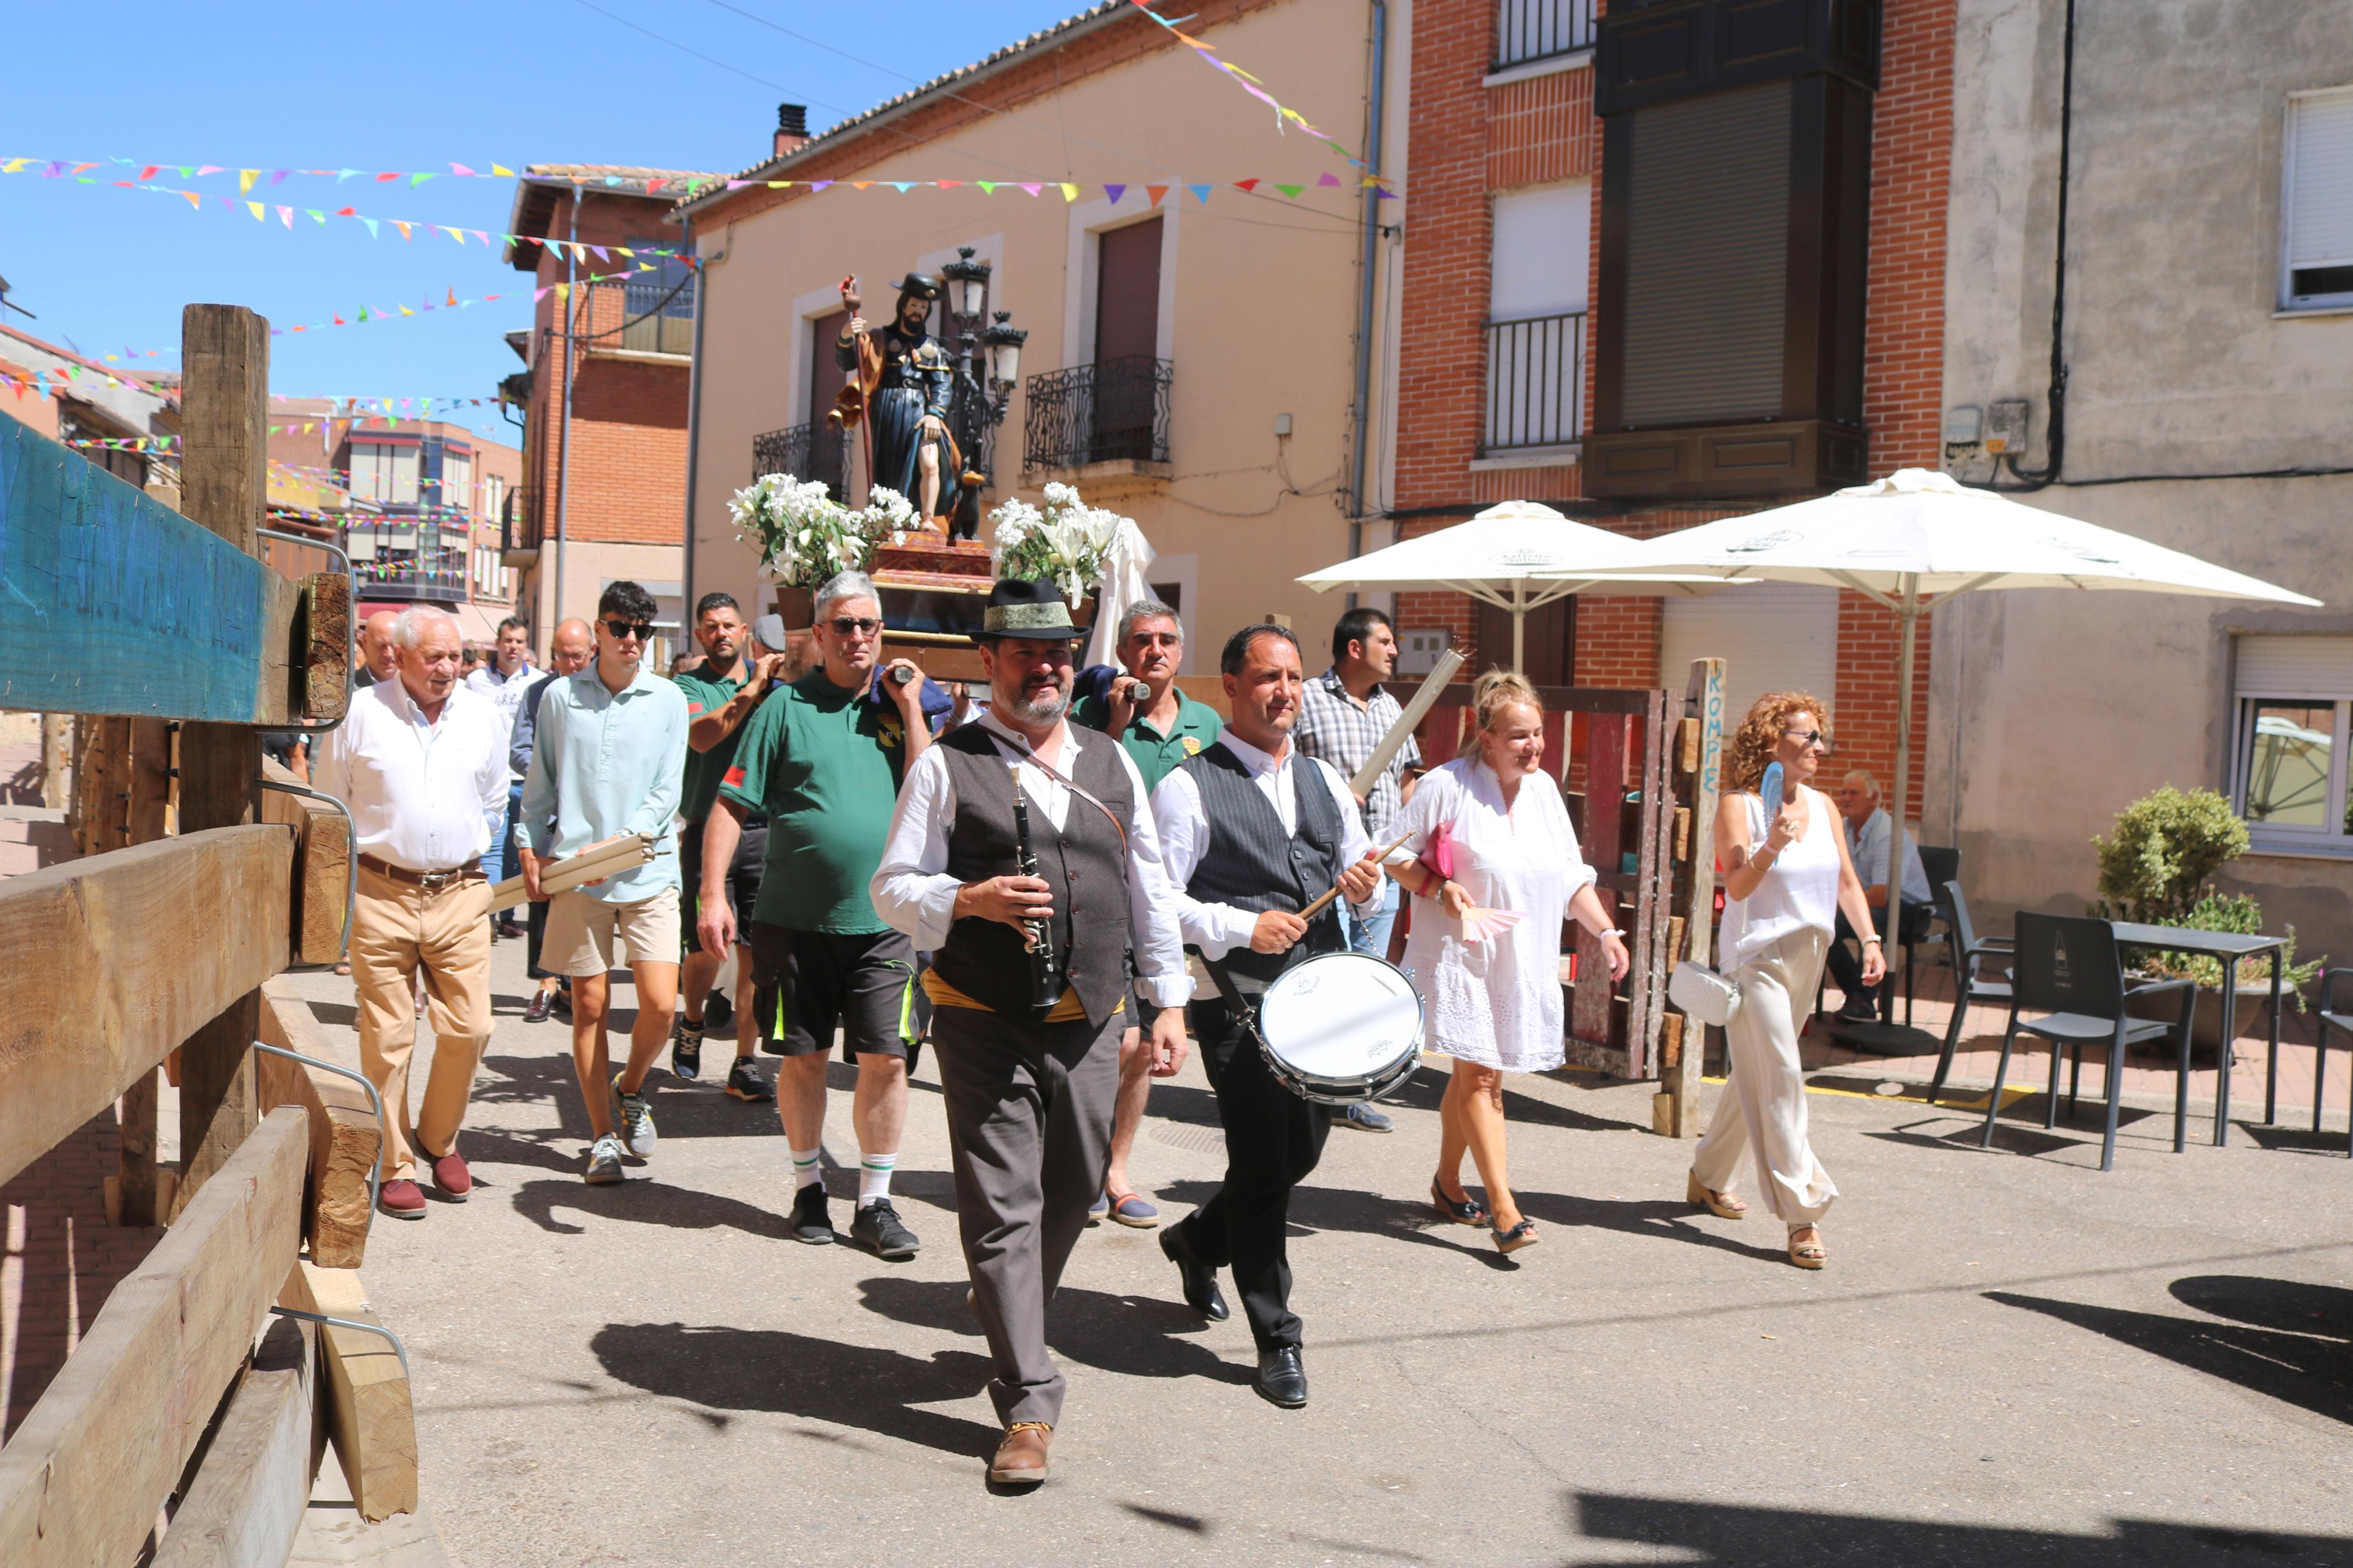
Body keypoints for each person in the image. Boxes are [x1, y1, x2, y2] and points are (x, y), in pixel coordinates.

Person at [871, 578, 1193, 1487]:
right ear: (989, 661)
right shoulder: (947, 761)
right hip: (981, 1016)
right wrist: (964, 897)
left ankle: (1008, 1303)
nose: (1045, 666)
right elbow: (889, 887)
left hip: (1090, 1018)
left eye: (1057, 651)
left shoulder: (1109, 760)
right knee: (1000, 1206)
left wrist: (1165, 1001)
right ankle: (1026, 1399)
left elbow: (1150, 890)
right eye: (1025, 652)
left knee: (1076, 1183)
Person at [1151, 623, 1386, 1411]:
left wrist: (1363, 888)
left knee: (1297, 1155)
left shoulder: (1322, 776)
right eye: (1264, 677)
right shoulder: (1186, 785)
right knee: (1261, 1168)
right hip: (1237, 1005)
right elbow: (1160, 901)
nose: (1282, 691)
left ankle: (1194, 1239)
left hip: (1322, 999)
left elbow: (1365, 875)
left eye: (1290, 676)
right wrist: (1237, 926)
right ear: (1230, 686)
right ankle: (1275, 1334)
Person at [698, 571, 936, 1258]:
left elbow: (927, 796)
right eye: (843, 625)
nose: (857, 637)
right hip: (793, 920)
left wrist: (912, 707)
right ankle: (808, 1186)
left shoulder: (901, 710)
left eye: (868, 625)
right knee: (803, 1060)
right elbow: (729, 805)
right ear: (819, 635)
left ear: (881, 633)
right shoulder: (782, 709)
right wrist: (712, 894)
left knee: (887, 1062)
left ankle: (874, 1201)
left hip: (885, 922)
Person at [1385, 672, 1629, 1254]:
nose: (1533, 746)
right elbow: (1390, 853)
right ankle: (1503, 1207)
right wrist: (1437, 887)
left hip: (1519, 961)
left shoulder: (1543, 791)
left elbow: (1570, 877)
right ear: (1485, 735)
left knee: (1472, 1073)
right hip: (1461, 955)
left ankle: (1447, 1184)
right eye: (1518, 736)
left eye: (1538, 734)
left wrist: (1606, 931)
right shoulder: (1447, 785)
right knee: (1482, 1076)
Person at [313, 607, 510, 1219]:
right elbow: (330, 805)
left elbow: (495, 801)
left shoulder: (483, 716)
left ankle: (437, 1136)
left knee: (472, 1027)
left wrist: (458, 861)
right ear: (399, 656)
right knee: (389, 1036)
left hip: (459, 894)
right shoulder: (360, 713)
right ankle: (396, 1160)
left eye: (455, 657)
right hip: (380, 892)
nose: (448, 669)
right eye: (435, 657)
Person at [1688, 694, 1883, 1271]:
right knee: (1780, 1074)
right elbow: (1739, 887)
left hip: (1811, 952)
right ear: (1772, 740)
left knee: (1758, 1068)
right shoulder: (1738, 806)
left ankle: (1707, 1175)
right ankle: (1802, 1212)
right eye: (1806, 736)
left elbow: (1846, 880)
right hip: (1757, 958)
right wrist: (1771, 841)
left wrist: (1869, 940)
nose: (1818, 747)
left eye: (1820, 736)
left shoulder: (1824, 806)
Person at [520, 583, 690, 1185]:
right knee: (588, 1007)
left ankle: (632, 1086)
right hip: (576, 875)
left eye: (643, 631)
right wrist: (526, 844)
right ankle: (600, 1138)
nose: (632, 641)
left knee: (661, 1005)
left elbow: (667, 791)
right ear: (597, 629)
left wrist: (617, 845)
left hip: (647, 870)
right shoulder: (560, 698)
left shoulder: (668, 698)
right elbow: (539, 779)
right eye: (620, 627)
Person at [1070, 599, 1222, 1231]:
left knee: (1147, 1049)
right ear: (1123, 653)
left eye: (1165, 640)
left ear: (1180, 651)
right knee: (1116, 1042)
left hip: (1177, 909)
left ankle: (1115, 1172)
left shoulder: (1206, 722)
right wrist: (1111, 723)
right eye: (1140, 640)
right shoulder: (1090, 714)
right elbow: (1072, 786)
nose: (1154, 650)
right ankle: (1077, 1167)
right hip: (1104, 898)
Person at [1292, 605, 1422, 1133]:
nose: (1394, 651)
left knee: (1365, 982)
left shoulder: (1394, 708)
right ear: (1354, 648)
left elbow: (1406, 780)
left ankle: (1345, 1092)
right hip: (1322, 868)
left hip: (1380, 871)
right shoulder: (1306, 699)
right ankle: (1302, 1083)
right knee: (1320, 977)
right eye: (1386, 641)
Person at [673, 591, 783, 1103]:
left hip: (762, 829)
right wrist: (752, 689)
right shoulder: (688, 685)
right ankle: (692, 1021)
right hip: (704, 830)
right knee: (705, 950)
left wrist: (769, 683)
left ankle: (745, 1061)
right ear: (700, 635)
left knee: (754, 955)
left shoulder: (773, 684)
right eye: (711, 626)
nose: (720, 633)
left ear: (744, 633)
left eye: (729, 625)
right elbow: (701, 737)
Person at [511, 619, 595, 1023]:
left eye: (577, 655)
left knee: (586, 894)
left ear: (592, 652)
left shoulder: (605, 692)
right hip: (552, 809)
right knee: (544, 893)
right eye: (562, 655)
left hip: (594, 814)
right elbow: (520, 749)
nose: (570, 662)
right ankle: (546, 982)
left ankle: (578, 980)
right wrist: (553, 775)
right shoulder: (538, 693)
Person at [838, 273, 956, 521]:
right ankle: (890, 520)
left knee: (928, 463)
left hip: (918, 411)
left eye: (923, 307)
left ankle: (926, 519)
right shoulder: (881, 339)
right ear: (903, 305)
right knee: (889, 469)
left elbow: (942, 385)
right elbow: (849, 361)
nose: (917, 312)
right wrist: (849, 335)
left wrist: (934, 413)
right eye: (914, 305)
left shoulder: (931, 348)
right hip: (887, 410)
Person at [1827, 769, 1935, 1023]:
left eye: (1854, 793)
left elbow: (1879, 897)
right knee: (1825, 926)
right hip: (1873, 905)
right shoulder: (1842, 827)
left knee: (1865, 921)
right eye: (1843, 792)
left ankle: (1861, 999)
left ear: (1873, 799)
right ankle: (1859, 997)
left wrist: (1841, 904)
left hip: (1910, 911)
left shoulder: (1886, 833)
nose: (1845, 798)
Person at [465, 616, 538, 940]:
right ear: (498, 643)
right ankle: (489, 917)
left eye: (520, 641)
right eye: (508, 640)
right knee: (492, 847)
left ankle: (508, 914)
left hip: (526, 780)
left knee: (516, 852)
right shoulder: (476, 681)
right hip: (489, 781)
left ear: (526, 645)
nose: (513, 647)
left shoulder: (537, 682)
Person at [352, 610, 400, 689]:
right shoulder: (345, 690)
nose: (389, 654)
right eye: (381, 646)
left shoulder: (419, 689)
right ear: (365, 642)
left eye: (394, 646)